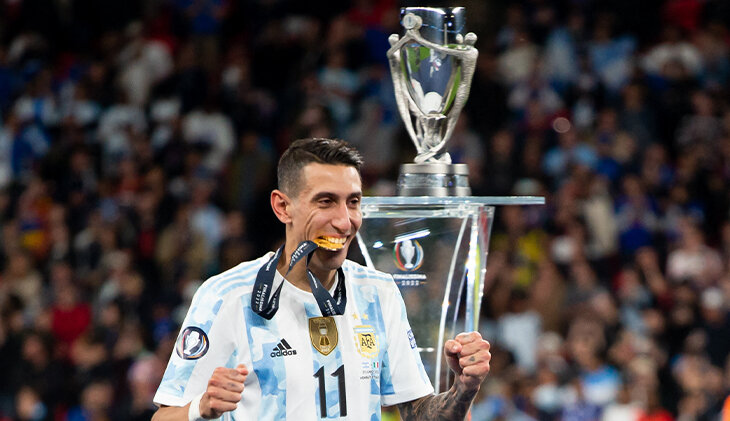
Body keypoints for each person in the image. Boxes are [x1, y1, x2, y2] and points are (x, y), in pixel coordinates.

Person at [151, 138, 491, 420]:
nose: (344, 221)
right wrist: (200, 408)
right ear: (282, 207)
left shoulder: (378, 293)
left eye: (353, 202)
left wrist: (463, 390)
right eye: (326, 202)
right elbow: (163, 417)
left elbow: (418, 415)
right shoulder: (227, 295)